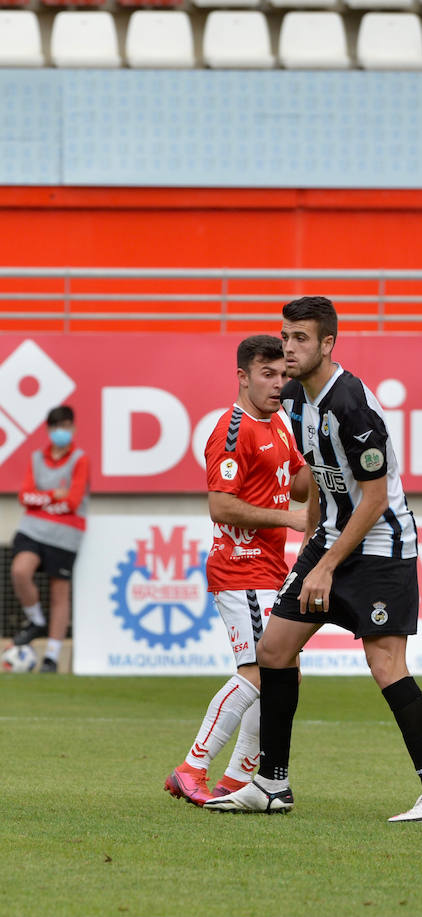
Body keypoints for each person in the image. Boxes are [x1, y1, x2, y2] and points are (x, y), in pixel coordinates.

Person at [206, 296, 422, 820]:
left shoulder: (351, 405)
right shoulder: (296, 400)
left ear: (328, 343)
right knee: (274, 650)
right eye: (286, 337)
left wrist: (325, 565)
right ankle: (270, 784)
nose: (289, 348)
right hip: (328, 543)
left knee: (386, 664)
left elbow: (373, 500)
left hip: (379, 549)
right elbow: (322, 483)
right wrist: (311, 552)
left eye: (301, 338)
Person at [165, 335, 310, 807]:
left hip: (270, 568)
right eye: (268, 374)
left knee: (284, 672)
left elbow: (302, 485)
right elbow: (221, 506)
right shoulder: (233, 429)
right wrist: (288, 517)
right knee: (259, 671)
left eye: (283, 375)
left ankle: (235, 778)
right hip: (240, 568)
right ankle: (192, 767)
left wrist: (331, 455)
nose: (279, 384)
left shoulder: (282, 423)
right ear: (243, 377)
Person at [7, 405, 88, 672]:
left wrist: (41, 499)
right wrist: (54, 496)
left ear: (73, 428)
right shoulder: (37, 458)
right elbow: (24, 496)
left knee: (59, 592)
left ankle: (52, 656)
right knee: (20, 570)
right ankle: (36, 620)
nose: (60, 432)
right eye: (55, 426)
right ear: (49, 429)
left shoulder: (80, 459)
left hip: (66, 535)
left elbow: (74, 501)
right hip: (33, 530)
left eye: (65, 426)